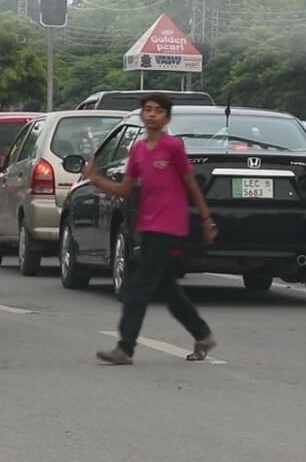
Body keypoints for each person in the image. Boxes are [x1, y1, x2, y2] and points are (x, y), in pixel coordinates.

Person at [87, 92, 218, 365]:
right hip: (147, 225)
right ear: (141, 114)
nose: (152, 114)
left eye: (158, 110)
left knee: (138, 288)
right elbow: (125, 189)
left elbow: (190, 184)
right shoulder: (138, 150)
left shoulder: (173, 147)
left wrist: (207, 220)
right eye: (147, 109)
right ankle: (203, 334)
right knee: (167, 288)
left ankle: (125, 348)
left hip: (169, 225)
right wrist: (96, 179)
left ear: (166, 118)